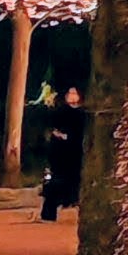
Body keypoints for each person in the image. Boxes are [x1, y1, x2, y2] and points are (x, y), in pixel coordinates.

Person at [35, 84, 86, 222]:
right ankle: (48, 213)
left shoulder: (83, 114)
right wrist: (58, 136)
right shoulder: (60, 111)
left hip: (76, 155)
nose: (72, 95)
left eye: (74, 93)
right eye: (70, 93)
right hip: (60, 154)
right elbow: (52, 128)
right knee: (55, 183)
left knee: (73, 183)